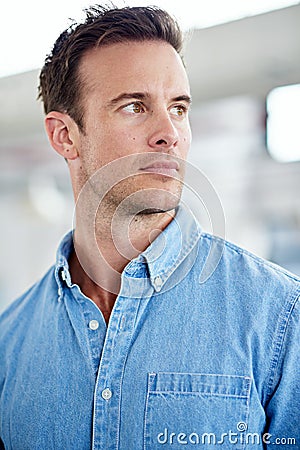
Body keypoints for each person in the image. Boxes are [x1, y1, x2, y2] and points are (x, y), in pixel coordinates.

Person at [0, 4, 299, 449]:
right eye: (135, 106)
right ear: (65, 135)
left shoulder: (279, 316)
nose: (169, 133)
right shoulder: (10, 343)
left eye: (178, 108)